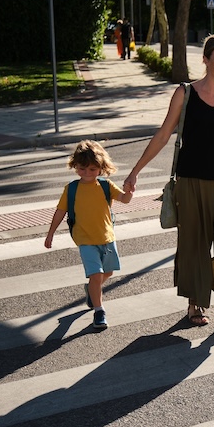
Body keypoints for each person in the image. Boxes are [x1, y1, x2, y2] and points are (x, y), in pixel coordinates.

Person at [123, 33, 214, 331]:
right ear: (205, 60)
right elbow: (164, 133)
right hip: (191, 183)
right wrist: (135, 171)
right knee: (194, 246)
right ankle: (195, 302)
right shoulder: (186, 94)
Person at [45, 140, 134, 330]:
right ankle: (99, 310)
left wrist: (129, 192)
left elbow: (124, 200)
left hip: (106, 237)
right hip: (84, 239)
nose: (87, 173)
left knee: (107, 273)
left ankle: (91, 290)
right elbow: (60, 212)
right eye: (83, 168)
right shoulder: (72, 189)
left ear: (101, 168)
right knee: (97, 275)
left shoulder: (105, 186)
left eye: (93, 169)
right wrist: (50, 234)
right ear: (75, 166)